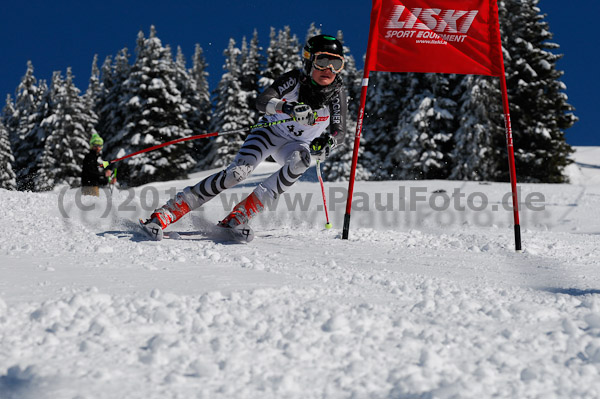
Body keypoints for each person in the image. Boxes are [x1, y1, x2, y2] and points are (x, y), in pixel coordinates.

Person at [142, 34, 348, 240]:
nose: (328, 69)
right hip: (269, 133)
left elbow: (340, 131)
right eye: (322, 61)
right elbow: (262, 101)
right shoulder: (294, 80)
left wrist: (327, 141)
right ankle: (167, 212)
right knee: (236, 174)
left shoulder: (336, 94)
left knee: (301, 162)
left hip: (296, 145)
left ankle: (240, 215)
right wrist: (287, 107)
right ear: (309, 60)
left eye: (335, 63)